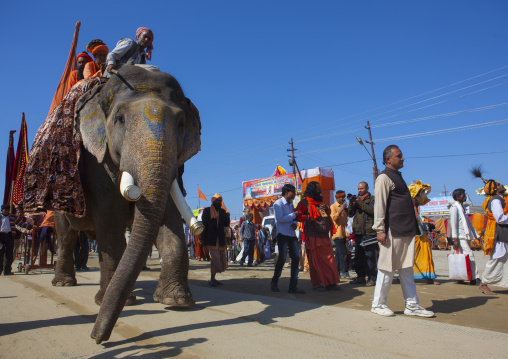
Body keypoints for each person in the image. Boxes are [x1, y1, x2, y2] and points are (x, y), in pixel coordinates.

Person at [371, 145, 434, 317]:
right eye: (399, 156)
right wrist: (380, 229)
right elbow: (380, 205)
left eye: (402, 156)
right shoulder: (383, 178)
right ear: (388, 159)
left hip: (406, 230)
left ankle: (412, 305)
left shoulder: (398, 177)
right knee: (387, 268)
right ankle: (378, 304)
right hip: (392, 231)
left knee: (406, 269)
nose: (403, 158)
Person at [295, 181, 340, 291]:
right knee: (315, 262)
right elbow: (297, 215)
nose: (320, 191)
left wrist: (327, 209)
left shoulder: (320, 203)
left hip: (324, 236)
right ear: (312, 190)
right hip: (313, 237)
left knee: (329, 260)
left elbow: (326, 215)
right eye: (318, 189)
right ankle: (317, 283)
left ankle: (330, 283)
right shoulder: (304, 203)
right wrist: (308, 218)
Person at [471, 170, 508, 295]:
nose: (501, 185)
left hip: (503, 233)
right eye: (498, 184)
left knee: (503, 259)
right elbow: (500, 218)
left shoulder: (502, 199)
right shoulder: (496, 201)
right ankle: (484, 283)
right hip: (499, 234)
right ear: (495, 190)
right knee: (497, 258)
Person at [271, 183, 305, 294]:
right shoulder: (278, 204)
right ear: (287, 192)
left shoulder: (291, 204)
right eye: (293, 192)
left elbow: (293, 217)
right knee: (281, 259)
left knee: (296, 258)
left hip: (292, 234)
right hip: (282, 235)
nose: (295, 194)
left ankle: (293, 286)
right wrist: (294, 216)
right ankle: (274, 281)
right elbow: (280, 219)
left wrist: (295, 222)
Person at [348, 182, 378, 286]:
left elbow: (372, 211)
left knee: (370, 256)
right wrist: (351, 204)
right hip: (358, 232)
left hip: (368, 231)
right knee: (359, 256)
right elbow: (350, 214)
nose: (359, 190)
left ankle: (372, 277)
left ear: (367, 188)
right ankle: (360, 276)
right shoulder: (357, 200)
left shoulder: (372, 199)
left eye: (361, 188)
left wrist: (358, 202)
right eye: (358, 189)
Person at [448, 188, 479, 285]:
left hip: (466, 236)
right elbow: (454, 224)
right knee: (470, 256)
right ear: (457, 197)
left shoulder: (463, 208)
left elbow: (468, 224)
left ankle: (461, 277)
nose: (464, 196)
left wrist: (475, 237)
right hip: (460, 238)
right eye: (463, 195)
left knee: (463, 257)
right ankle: (474, 277)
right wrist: (455, 240)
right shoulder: (454, 208)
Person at [408, 181, 436, 284]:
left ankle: (428, 276)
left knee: (425, 253)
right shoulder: (408, 208)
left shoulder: (416, 208)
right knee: (412, 256)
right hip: (412, 234)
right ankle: (410, 276)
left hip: (420, 234)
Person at [200, 194, 230, 287]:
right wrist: (202, 239)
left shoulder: (222, 211)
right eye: (216, 200)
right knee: (215, 258)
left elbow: (226, 224)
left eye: (220, 200)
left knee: (221, 259)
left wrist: (227, 217)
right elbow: (204, 225)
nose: (218, 202)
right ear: (213, 201)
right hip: (211, 239)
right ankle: (212, 279)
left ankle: (213, 278)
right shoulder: (207, 211)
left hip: (220, 239)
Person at [331, 190, 350, 279]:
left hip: (343, 234)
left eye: (344, 197)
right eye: (341, 197)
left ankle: (336, 272)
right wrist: (341, 209)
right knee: (343, 254)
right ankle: (344, 272)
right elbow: (333, 218)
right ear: (337, 198)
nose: (343, 199)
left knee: (338, 255)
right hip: (337, 234)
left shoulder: (344, 209)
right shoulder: (333, 207)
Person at [0, 204, 16, 275]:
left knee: (9, 254)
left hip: (9, 236)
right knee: (0, 254)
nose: (7, 211)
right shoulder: (0, 217)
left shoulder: (13, 217)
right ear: (2, 210)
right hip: (0, 236)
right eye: (5, 210)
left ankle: (7, 271)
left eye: (8, 210)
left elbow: (20, 223)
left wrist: (30, 226)